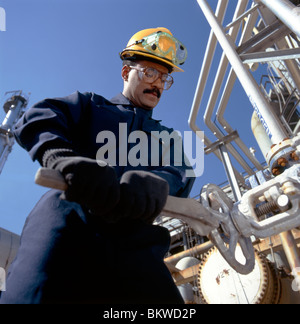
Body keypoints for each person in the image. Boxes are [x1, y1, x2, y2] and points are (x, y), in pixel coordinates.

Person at [0, 27, 195, 304]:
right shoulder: (91, 106)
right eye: (150, 73)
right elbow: (39, 116)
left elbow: (181, 171)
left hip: (136, 241)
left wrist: (160, 182)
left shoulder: (167, 139)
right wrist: (63, 158)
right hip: (69, 218)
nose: (158, 84)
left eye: (165, 78)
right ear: (126, 73)